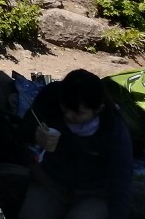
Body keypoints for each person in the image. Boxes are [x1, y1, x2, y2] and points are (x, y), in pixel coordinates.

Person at [17, 69, 133, 219]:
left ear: (98, 109)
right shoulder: (52, 96)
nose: (68, 116)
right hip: (50, 183)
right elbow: (25, 127)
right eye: (64, 109)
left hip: (92, 194)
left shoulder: (113, 129)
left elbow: (122, 180)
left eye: (77, 113)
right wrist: (36, 134)